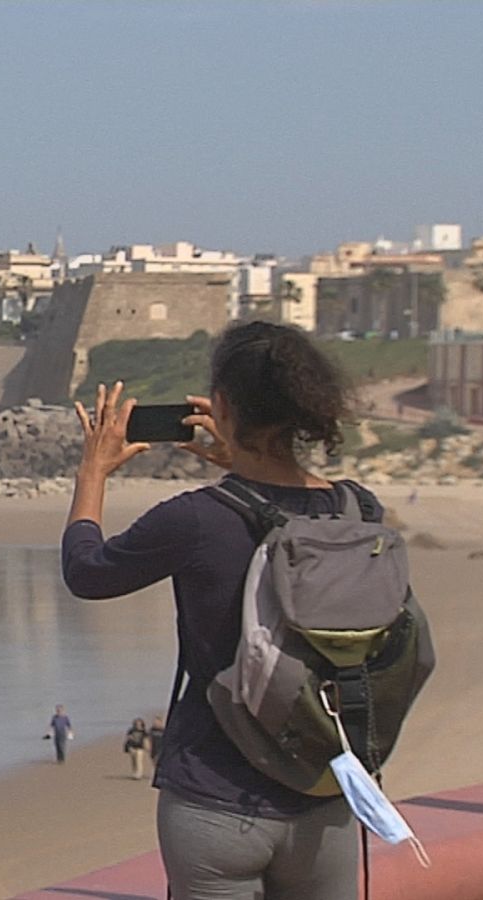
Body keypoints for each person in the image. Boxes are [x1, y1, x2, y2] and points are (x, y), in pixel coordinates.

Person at [61, 321, 365, 900]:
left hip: (215, 796)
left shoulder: (198, 519)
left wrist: (92, 473)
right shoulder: (356, 510)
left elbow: (87, 572)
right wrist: (244, 462)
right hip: (326, 794)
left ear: (220, 405)